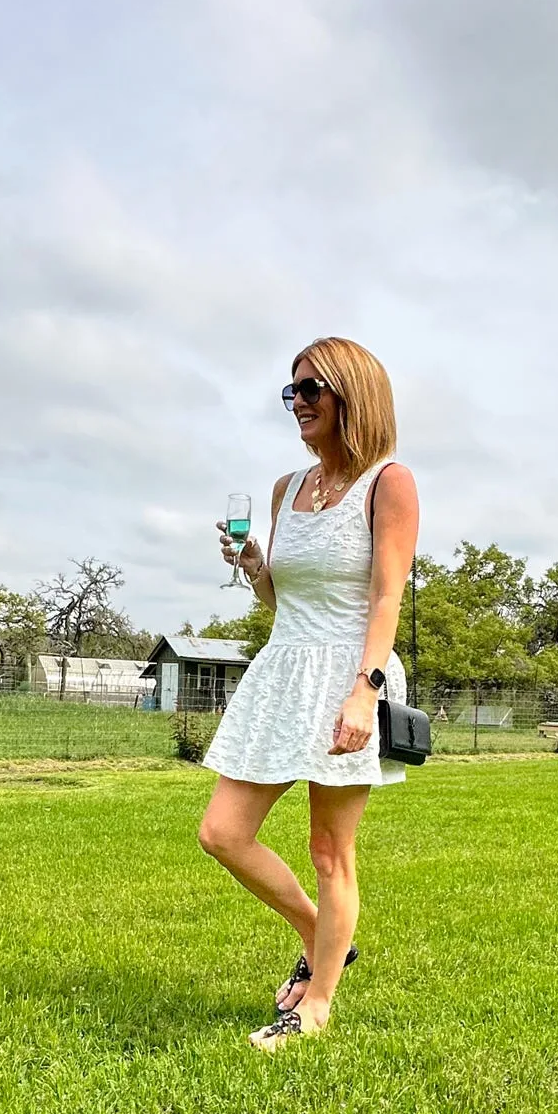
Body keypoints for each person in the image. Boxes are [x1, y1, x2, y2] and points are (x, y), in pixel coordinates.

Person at [198, 337, 419, 1051]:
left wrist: (365, 693)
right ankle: (319, 933)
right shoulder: (285, 490)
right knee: (223, 833)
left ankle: (317, 1004)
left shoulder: (390, 482)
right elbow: (280, 600)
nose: (297, 403)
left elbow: (386, 597)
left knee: (330, 851)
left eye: (311, 389)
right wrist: (258, 566)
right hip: (282, 670)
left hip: (349, 674)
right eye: (290, 391)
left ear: (351, 395)